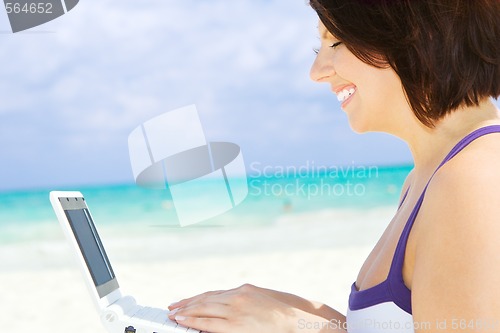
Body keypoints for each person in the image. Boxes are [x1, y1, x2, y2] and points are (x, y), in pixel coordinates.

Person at [168, 1, 500, 332]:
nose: (317, 71)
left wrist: (298, 328)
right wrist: (297, 315)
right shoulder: (428, 177)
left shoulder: (472, 181)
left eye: (335, 41)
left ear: (418, 33)